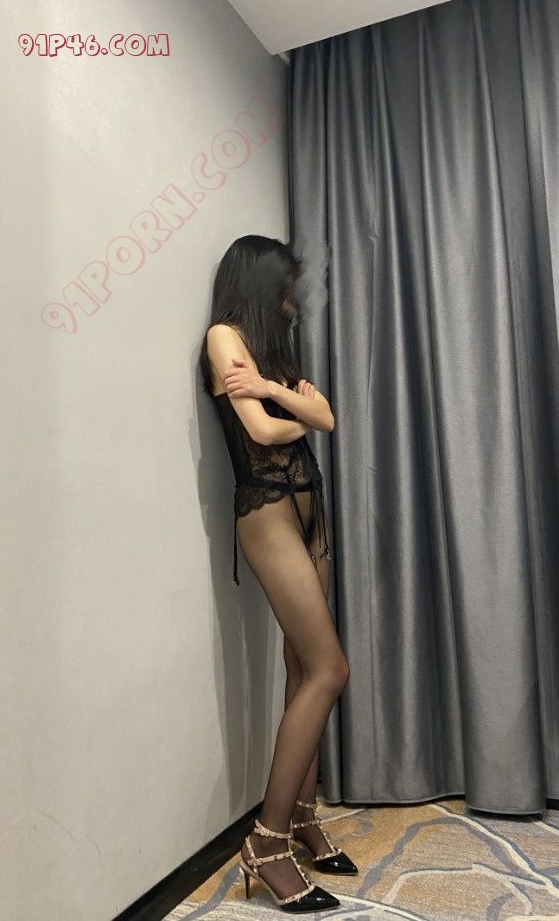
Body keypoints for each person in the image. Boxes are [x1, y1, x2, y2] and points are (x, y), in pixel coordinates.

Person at [200, 235, 357, 913]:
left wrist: (271, 392)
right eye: (287, 290)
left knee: (302, 669)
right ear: (262, 283)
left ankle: (302, 817)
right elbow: (265, 433)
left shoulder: (268, 355)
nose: (294, 303)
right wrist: (295, 411)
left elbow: (327, 417)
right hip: (267, 513)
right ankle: (265, 842)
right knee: (329, 670)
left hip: (309, 502)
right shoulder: (224, 336)